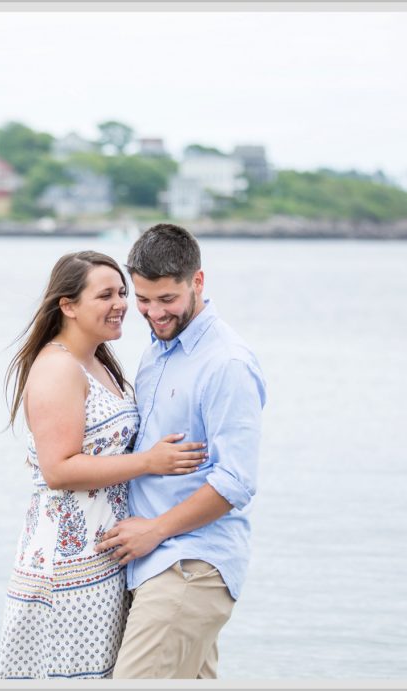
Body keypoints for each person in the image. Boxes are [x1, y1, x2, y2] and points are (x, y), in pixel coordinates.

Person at [0, 250, 209, 680]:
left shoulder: (97, 362)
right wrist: (149, 462)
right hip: (68, 559)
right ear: (68, 305)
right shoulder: (57, 368)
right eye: (105, 295)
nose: (121, 305)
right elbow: (58, 469)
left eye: (122, 293)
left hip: (105, 553)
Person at [95, 223, 267, 679]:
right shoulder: (158, 350)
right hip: (154, 566)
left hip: (190, 564)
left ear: (198, 282)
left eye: (166, 300)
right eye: (143, 300)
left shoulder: (226, 364)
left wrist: (155, 530)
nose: (153, 313)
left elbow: (236, 482)